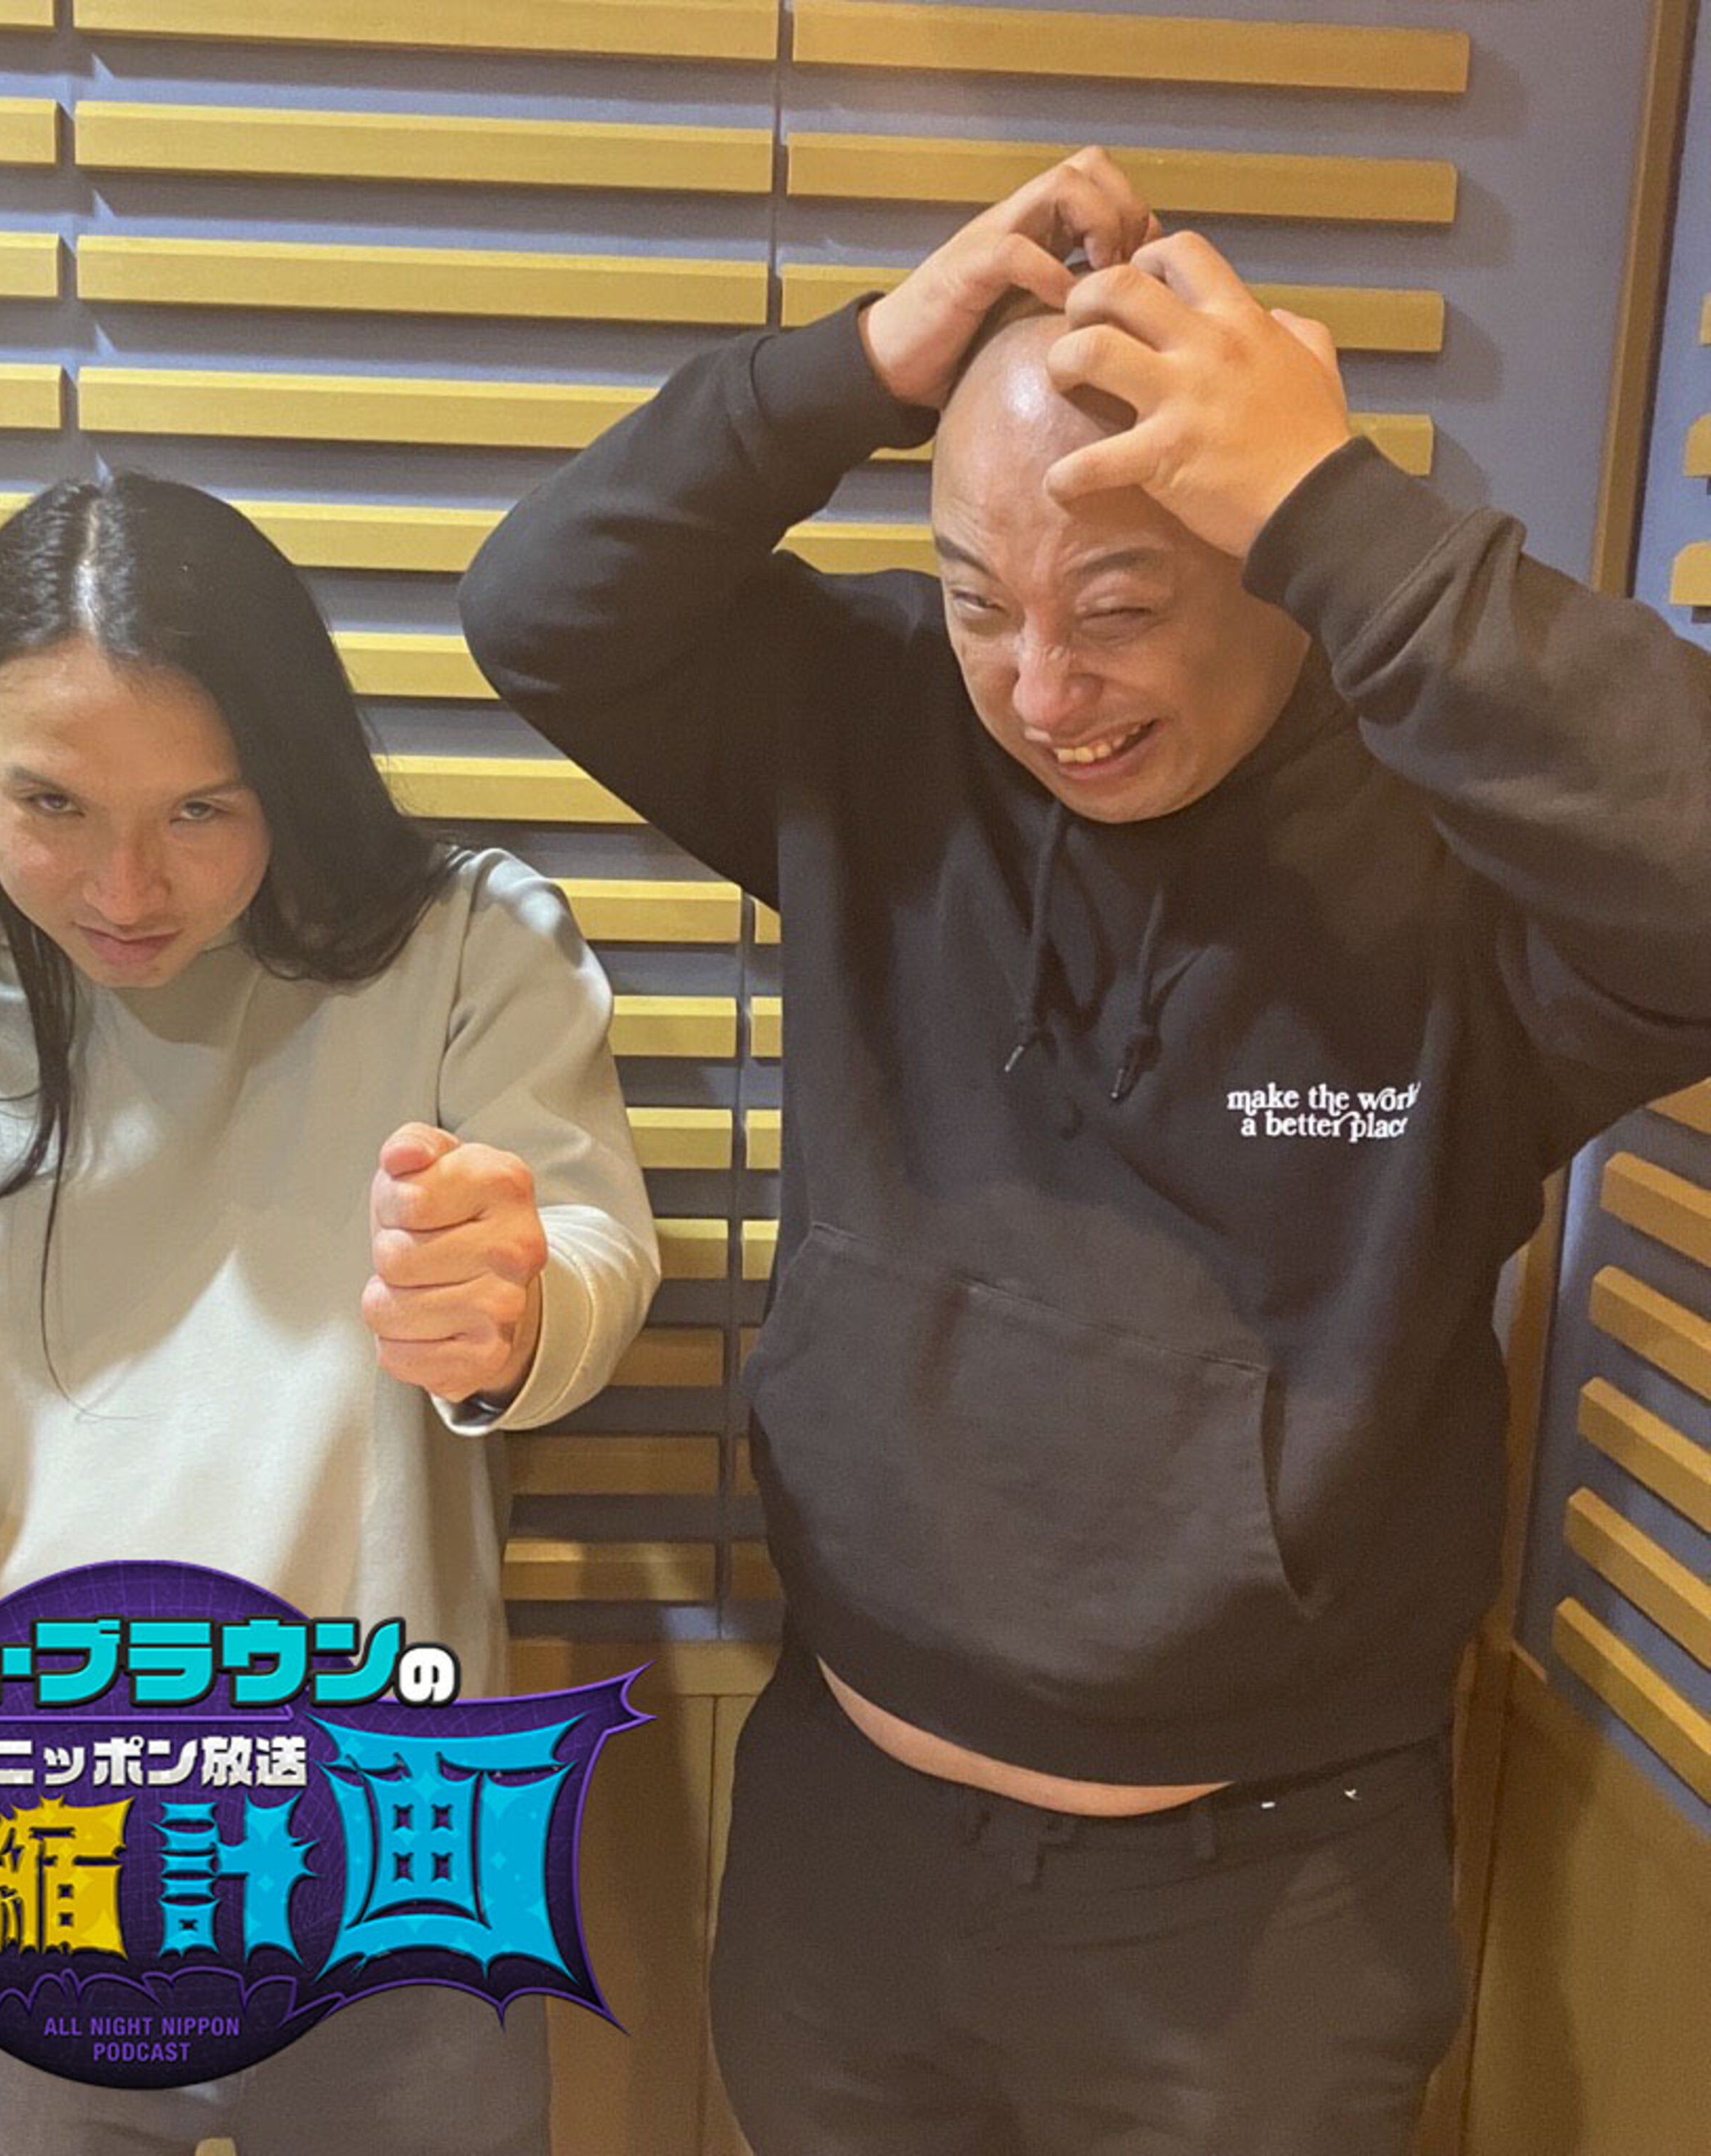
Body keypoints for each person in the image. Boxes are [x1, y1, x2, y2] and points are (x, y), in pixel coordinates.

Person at [457, 147, 1711, 2153]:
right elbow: (541, 607)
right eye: (983, 604)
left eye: (1118, 609)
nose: (1045, 692)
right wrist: (867, 366)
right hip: (847, 1845)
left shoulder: (1464, 848)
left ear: (1273, 570)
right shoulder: (873, 726)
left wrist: (1341, 511)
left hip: (1266, 1911)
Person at [0, 473, 661, 2156]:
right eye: (53, 804)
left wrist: (512, 1313)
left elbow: (589, 1249)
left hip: (389, 1846)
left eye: (203, 809)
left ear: (292, 768)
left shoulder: (464, 943)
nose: (128, 887)